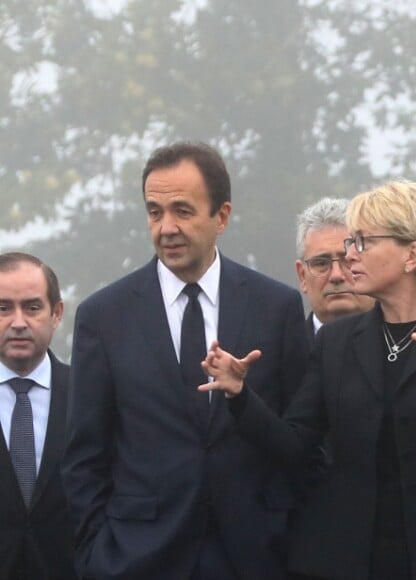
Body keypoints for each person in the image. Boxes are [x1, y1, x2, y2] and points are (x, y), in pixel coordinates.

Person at [201, 181, 416, 580]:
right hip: (349, 559)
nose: (350, 256)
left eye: (362, 242)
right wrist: (240, 395)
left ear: (413, 254)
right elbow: (296, 444)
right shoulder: (336, 343)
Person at [62, 141, 309, 580]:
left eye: (182, 210)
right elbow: (85, 455)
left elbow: (300, 445)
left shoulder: (278, 308)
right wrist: (96, 554)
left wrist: (242, 398)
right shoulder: (104, 315)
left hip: (255, 556)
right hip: (135, 559)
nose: (166, 227)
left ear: (223, 216)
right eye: (155, 212)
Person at [0, 252, 75, 580]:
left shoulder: (90, 396)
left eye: (32, 307)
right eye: (3, 308)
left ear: (56, 313)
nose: (18, 323)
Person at [295, 197, 375, 347]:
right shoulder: (280, 355)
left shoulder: (414, 346)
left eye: (348, 261)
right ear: (302, 276)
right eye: (321, 263)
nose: (336, 276)